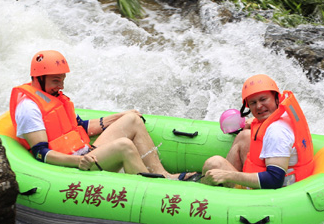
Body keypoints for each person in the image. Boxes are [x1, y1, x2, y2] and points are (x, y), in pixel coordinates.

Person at [10, 50, 192, 180]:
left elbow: (82, 126)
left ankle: (165, 176)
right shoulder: (28, 108)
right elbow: (41, 154)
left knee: (132, 120)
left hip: (86, 153)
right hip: (73, 167)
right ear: (38, 78)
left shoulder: (54, 97)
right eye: (56, 81)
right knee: (124, 146)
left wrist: (120, 115)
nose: (61, 86)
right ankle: (151, 187)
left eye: (63, 80)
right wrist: (78, 161)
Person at [202, 74, 315, 189]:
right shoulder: (284, 115)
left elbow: (274, 181)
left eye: (263, 99)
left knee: (214, 163)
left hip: (275, 193)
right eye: (253, 103)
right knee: (245, 136)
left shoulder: (277, 131)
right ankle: (221, 181)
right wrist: (256, 123)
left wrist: (228, 175)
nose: (259, 106)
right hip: (294, 180)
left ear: (276, 98)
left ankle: (208, 187)